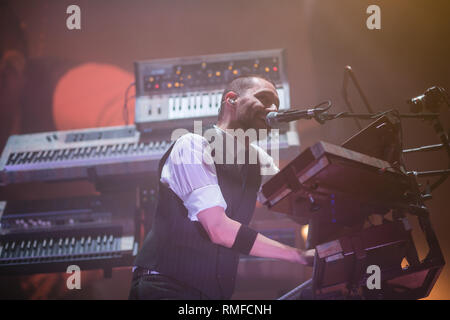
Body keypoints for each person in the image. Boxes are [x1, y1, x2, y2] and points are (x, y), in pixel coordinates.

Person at [129, 75, 313, 300]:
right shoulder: (192, 146)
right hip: (165, 287)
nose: (273, 108)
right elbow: (218, 228)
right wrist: (300, 256)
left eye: (277, 104)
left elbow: (301, 206)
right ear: (231, 99)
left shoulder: (259, 160)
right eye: (263, 98)